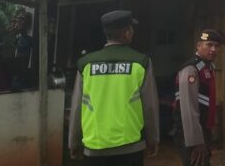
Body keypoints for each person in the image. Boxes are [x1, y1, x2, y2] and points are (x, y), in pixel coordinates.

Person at [68, 10, 159, 166]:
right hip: (130, 147)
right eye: (131, 29)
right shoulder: (141, 62)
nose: (133, 32)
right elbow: (149, 106)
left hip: (94, 147)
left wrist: (73, 142)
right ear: (126, 34)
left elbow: (77, 106)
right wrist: (153, 139)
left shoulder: (86, 64)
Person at [173, 29, 224, 166]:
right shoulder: (191, 69)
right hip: (190, 135)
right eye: (209, 44)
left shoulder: (207, 67)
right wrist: (197, 141)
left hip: (202, 132)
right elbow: (188, 109)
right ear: (198, 46)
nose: (213, 49)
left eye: (217, 46)